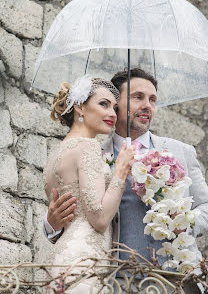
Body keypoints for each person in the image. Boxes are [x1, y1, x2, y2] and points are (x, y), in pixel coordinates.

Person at [44, 68, 208, 266]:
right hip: (117, 280)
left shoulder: (181, 151)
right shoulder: (94, 154)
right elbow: (77, 214)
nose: (147, 106)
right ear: (116, 105)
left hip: (175, 278)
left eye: (152, 100)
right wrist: (52, 224)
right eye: (138, 97)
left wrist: (186, 223)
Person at [44, 75, 136, 292]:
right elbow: (100, 218)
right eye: (103, 104)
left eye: (115, 108)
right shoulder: (89, 148)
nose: (112, 114)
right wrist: (120, 173)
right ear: (79, 107)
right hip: (85, 262)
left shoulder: (57, 152)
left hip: (64, 259)